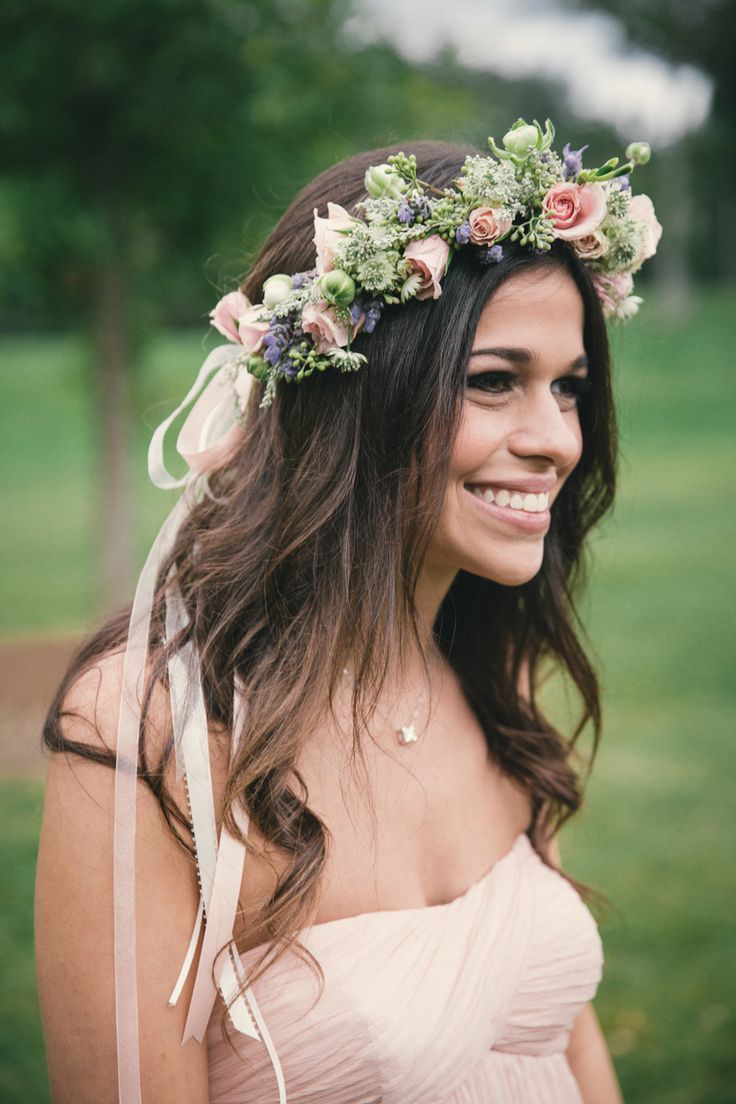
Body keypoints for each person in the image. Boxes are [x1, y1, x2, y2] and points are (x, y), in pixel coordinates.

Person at [35, 119, 660, 1102]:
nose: (555, 440)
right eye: (494, 382)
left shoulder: (495, 676)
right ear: (353, 398)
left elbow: (556, 1044)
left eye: (570, 389)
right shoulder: (155, 731)